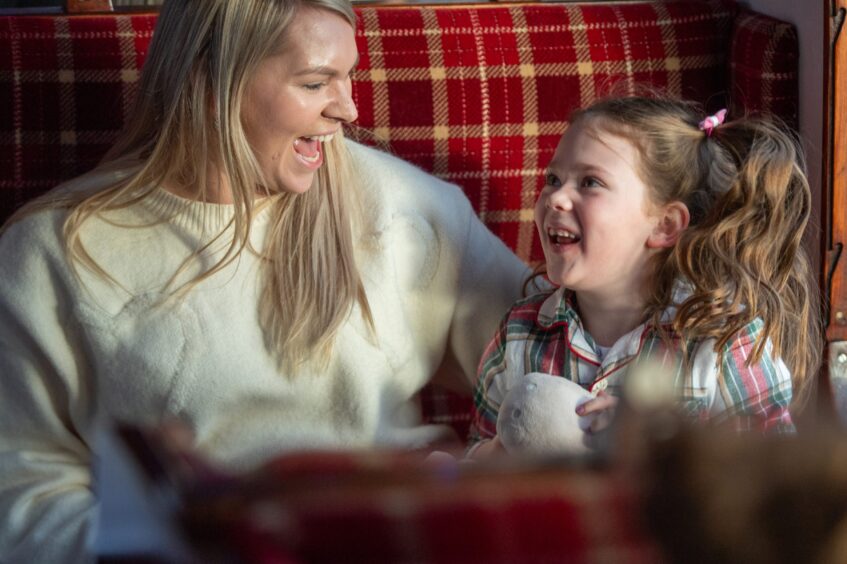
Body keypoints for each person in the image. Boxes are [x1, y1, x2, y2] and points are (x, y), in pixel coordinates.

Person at [0, 0, 528, 561]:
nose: (348, 110)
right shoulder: (52, 253)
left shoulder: (406, 209)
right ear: (211, 80)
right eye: (313, 83)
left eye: (349, 76)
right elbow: (21, 487)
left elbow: (560, 356)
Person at [468, 96, 822, 458]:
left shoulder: (722, 343)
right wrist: (497, 455)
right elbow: (474, 459)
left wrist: (661, 445)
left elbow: (769, 477)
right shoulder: (518, 335)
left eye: (590, 182)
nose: (556, 197)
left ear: (664, 225)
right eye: (553, 178)